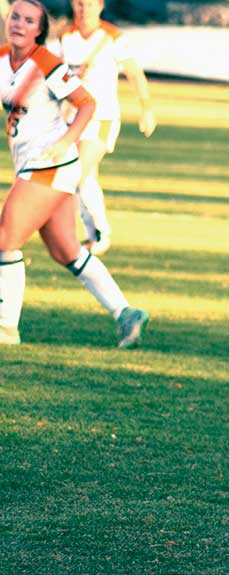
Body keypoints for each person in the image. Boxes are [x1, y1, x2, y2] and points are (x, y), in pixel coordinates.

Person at [0, 0, 148, 346]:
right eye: (15, 17)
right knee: (66, 251)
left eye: (29, 20)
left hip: (50, 165)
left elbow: (87, 103)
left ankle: (5, 328)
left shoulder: (46, 63)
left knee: (5, 239)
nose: (19, 24)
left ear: (39, 30)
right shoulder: (3, 58)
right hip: (34, 166)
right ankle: (126, 313)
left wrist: (65, 140)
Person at [55, 0, 156, 256]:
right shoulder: (65, 37)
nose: (83, 9)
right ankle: (95, 235)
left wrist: (146, 109)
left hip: (103, 118)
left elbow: (134, 72)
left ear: (99, 6)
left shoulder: (112, 37)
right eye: (78, 4)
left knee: (78, 172)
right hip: (71, 120)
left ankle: (97, 233)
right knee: (85, 178)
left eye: (88, 4)